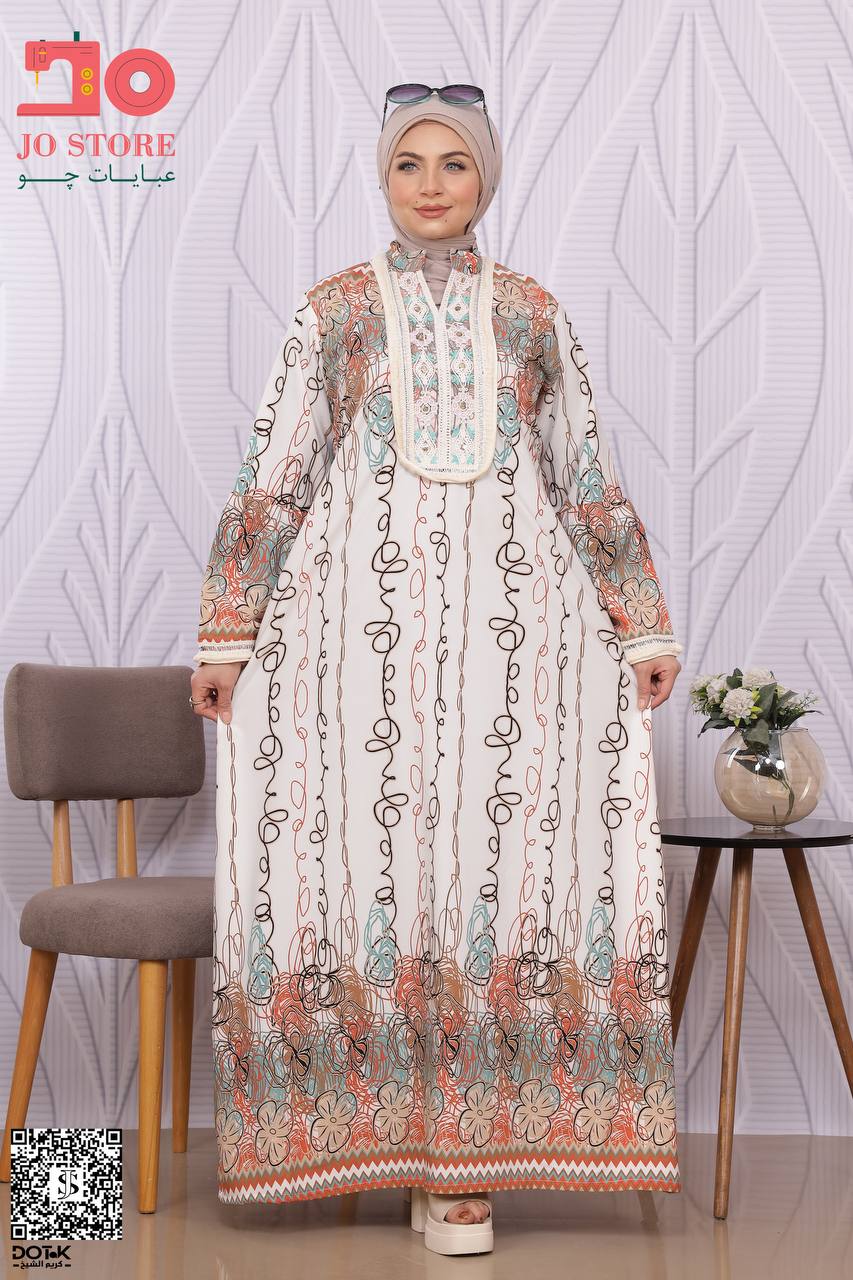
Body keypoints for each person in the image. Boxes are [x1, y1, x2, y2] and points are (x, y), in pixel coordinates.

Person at [189, 84, 684, 1257]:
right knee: (364, 872)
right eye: (408, 161)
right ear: (382, 176)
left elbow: (584, 477)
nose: (429, 183)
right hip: (344, 647)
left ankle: (463, 1169)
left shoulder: (533, 315)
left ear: (485, 180)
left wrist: (642, 626)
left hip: (522, 645)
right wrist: (226, 633)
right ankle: (368, 1139)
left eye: (452, 163)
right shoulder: (334, 312)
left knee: (487, 872)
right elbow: (275, 475)